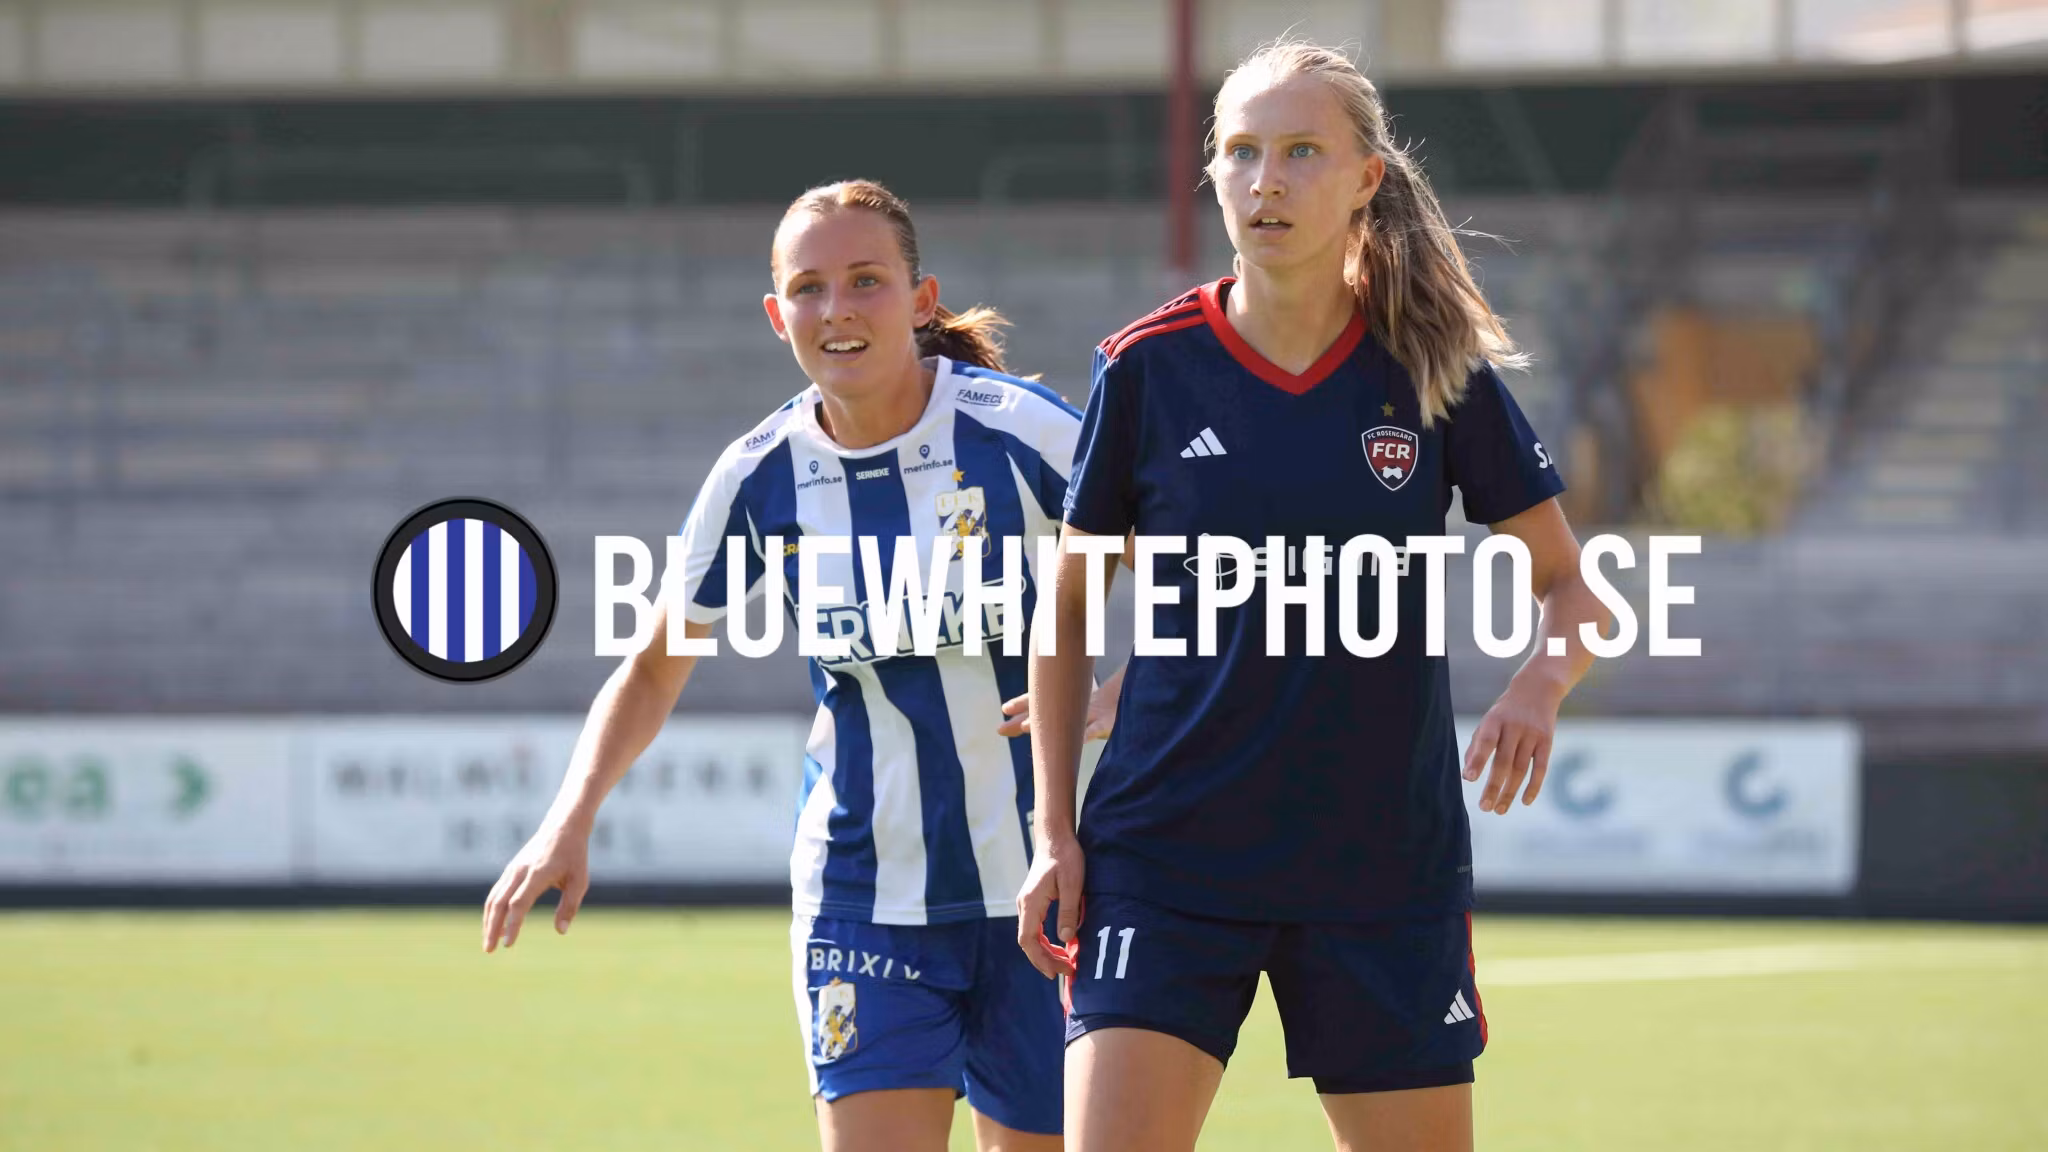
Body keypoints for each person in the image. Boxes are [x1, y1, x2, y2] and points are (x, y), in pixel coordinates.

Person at [1015, 40, 1609, 1152]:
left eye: (1298, 153)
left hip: (1379, 864)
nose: (1265, 182)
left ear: (1364, 180)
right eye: (1239, 153)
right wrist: (1054, 832)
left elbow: (1572, 585)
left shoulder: (1433, 368)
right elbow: (1067, 613)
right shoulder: (1143, 368)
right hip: (1166, 857)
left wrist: (1541, 679)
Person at [482, 178, 1121, 1152]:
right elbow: (654, 665)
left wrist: (1122, 692)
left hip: (1038, 884)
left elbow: (1188, 555)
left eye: (865, 281)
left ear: (919, 298)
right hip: (860, 895)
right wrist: (569, 820)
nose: (837, 310)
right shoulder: (758, 475)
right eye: (810, 289)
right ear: (778, 316)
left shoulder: (1021, 431)